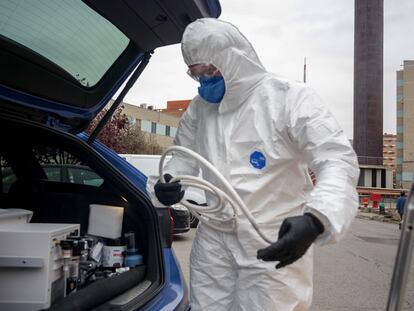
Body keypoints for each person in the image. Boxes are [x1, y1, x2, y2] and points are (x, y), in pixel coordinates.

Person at [147, 18, 359, 311]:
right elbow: (181, 158)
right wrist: (170, 182)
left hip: (272, 237)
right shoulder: (200, 110)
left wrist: (316, 219)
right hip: (214, 239)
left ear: (235, 60)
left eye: (210, 71)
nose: (205, 81)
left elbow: (336, 160)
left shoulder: (289, 99)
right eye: (196, 75)